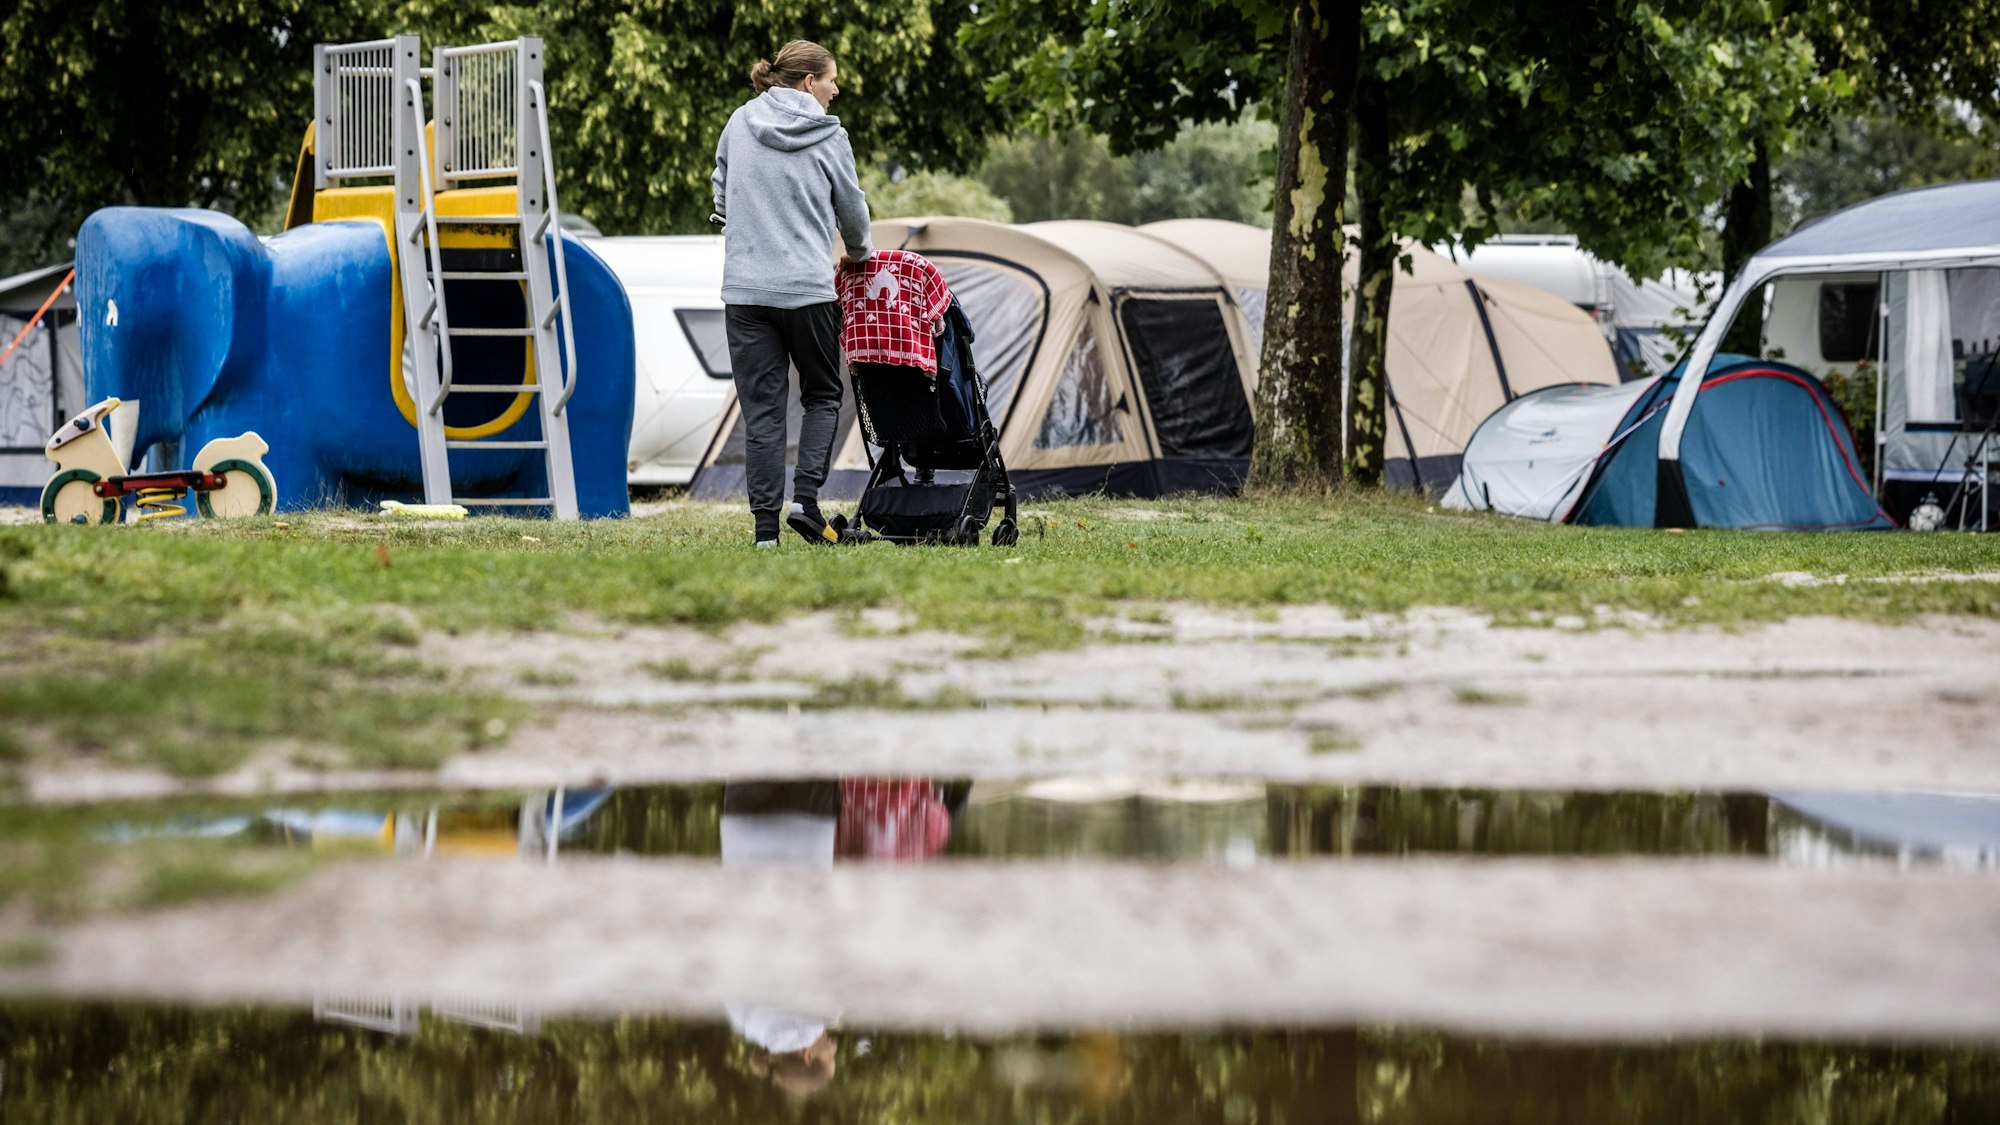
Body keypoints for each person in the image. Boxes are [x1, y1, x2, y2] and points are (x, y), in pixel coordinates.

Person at [711, 40, 872, 548]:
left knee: (762, 410)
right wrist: (859, 254)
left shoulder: (739, 122)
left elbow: (720, 188)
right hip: (807, 291)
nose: (835, 90)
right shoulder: (830, 135)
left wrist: (741, 226)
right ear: (808, 82)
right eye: (831, 80)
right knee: (822, 394)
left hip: (745, 292)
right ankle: (805, 502)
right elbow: (853, 211)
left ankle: (765, 534)